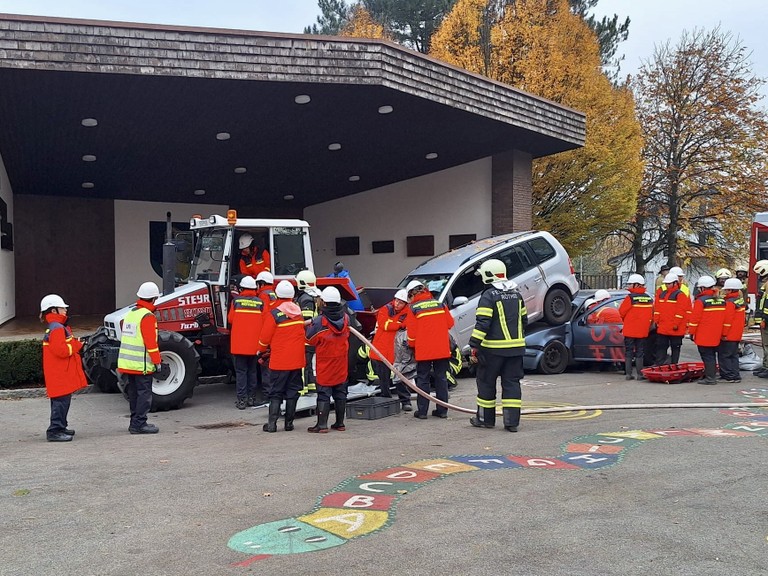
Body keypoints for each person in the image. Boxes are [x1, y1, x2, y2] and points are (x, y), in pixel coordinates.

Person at [468, 259, 527, 432]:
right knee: (512, 384)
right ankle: (512, 423)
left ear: (488, 275)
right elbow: (524, 320)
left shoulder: (488, 296)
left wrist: (474, 345)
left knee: (486, 383)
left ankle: (485, 420)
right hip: (516, 349)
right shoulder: (517, 294)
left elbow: (483, 323)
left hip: (492, 350)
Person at [256, 280, 305, 432]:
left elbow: (265, 338)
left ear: (277, 294)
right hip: (297, 360)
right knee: (293, 392)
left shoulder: (274, 314)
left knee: (275, 393)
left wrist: (260, 350)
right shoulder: (298, 313)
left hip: (279, 362)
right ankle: (289, 424)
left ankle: (272, 425)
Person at [39, 294, 88, 442]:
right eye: (63, 308)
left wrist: (74, 343)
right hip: (60, 374)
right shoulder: (57, 328)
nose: (66, 310)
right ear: (54, 310)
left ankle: (61, 427)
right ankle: (55, 431)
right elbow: (62, 351)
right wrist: (77, 345)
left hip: (58, 373)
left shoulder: (56, 327)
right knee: (61, 403)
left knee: (61, 402)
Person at [405, 279, 454, 420]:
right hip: (442, 349)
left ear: (412, 294)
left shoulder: (413, 308)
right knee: (441, 378)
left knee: (423, 380)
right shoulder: (440, 304)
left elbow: (411, 334)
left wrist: (412, 346)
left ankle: (422, 411)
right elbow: (450, 323)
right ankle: (442, 410)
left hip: (424, 351)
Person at [117, 281, 162, 434]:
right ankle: (140, 424)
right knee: (144, 395)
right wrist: (157, 361)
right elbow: (151, 343)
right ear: (154, 298)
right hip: (141, 365)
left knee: (134, 394)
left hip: (128, 364)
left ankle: (134, 422)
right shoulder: (147, 316)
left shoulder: (131, 313)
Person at [305, 287, 350, 433]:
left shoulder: (320, 322)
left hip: (325, 362)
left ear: (323, 302)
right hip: (341, 361)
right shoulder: (346, 318)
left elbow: (309, 339)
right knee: (340, 392)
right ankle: (340, 423)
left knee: (324, 393)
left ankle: (322, 425)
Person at [228, 276, 264, 409]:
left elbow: (230, 319)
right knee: (252, 371)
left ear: (241, 288)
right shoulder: (260, 303)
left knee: (241, 372)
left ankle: (242, 400)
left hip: (239, 345)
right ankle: (251, 399)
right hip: (254, 345)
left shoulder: (236, 301)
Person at [370, 289, 409, 407]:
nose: (397, 304)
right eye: (396, 300)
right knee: (384, 379)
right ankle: (386, 401)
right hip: (381, 349)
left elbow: (402, 324)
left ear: (405, 304)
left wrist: (393, 324)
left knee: (400, 378)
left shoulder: (408, 313)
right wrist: (399, 325)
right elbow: (384, 324)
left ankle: (405, 401)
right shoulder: (385, 309)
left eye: (400, 302)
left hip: (396, 350)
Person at [688, 275, 726, 385]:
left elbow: (695, 319)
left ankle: (710, 378)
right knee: (712, 355)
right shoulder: (721, 300)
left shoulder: (700, 301)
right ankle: (711, 375)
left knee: (707, 356)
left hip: (704, 334)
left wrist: (691, 332)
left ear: (702, 288)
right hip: (717, 333)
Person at [619, 273, 654, 380]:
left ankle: (629, 374)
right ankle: (640, 374)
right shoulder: (649, 299)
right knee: (640, 352)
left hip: (630, 330)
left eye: (630, 284)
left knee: (629, 352)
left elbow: (621, 312)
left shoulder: (630, 298)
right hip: (643, 331)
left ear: (636, 285)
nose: (629, 286)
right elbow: (652, 315)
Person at [653, 271, 692, 365]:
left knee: (675, 348)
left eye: (668, 283)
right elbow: (657, 309)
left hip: (675, 329)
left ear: (675, 283)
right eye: (666, 283)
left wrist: (676, 324)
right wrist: (656, 321)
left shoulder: (680, 295)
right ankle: (660, 366)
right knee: (661, 348)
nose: (666, 285)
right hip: (663, 327)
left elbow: (681, 311)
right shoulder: (662, 294)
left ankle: (674, 366)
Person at [295, 270, 321, 395]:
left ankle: (302, 388)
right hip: (312, 336)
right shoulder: (313, 296)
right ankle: (311, 384)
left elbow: (307, 319)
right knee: (309, 363)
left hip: (306, 337)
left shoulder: (305, 299)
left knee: (303, 364)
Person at [719, 278, 746, 383]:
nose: (725, 291)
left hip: (729, 334)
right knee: (734, 355)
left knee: (725, 355)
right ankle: (735, 375)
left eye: (726, 290)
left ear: (730, 290)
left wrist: (724, 334)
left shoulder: (730, 303)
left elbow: (727, 320)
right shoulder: (740, 301)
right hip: (737, 333)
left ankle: (729, 375)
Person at [752, 260, 768, 378]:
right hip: (764, 319)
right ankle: (765, 366)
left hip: (766, 320)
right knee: (765, 344)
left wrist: (764, 319)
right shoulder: (765, 284)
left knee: (767, 345)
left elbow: (766, 304)